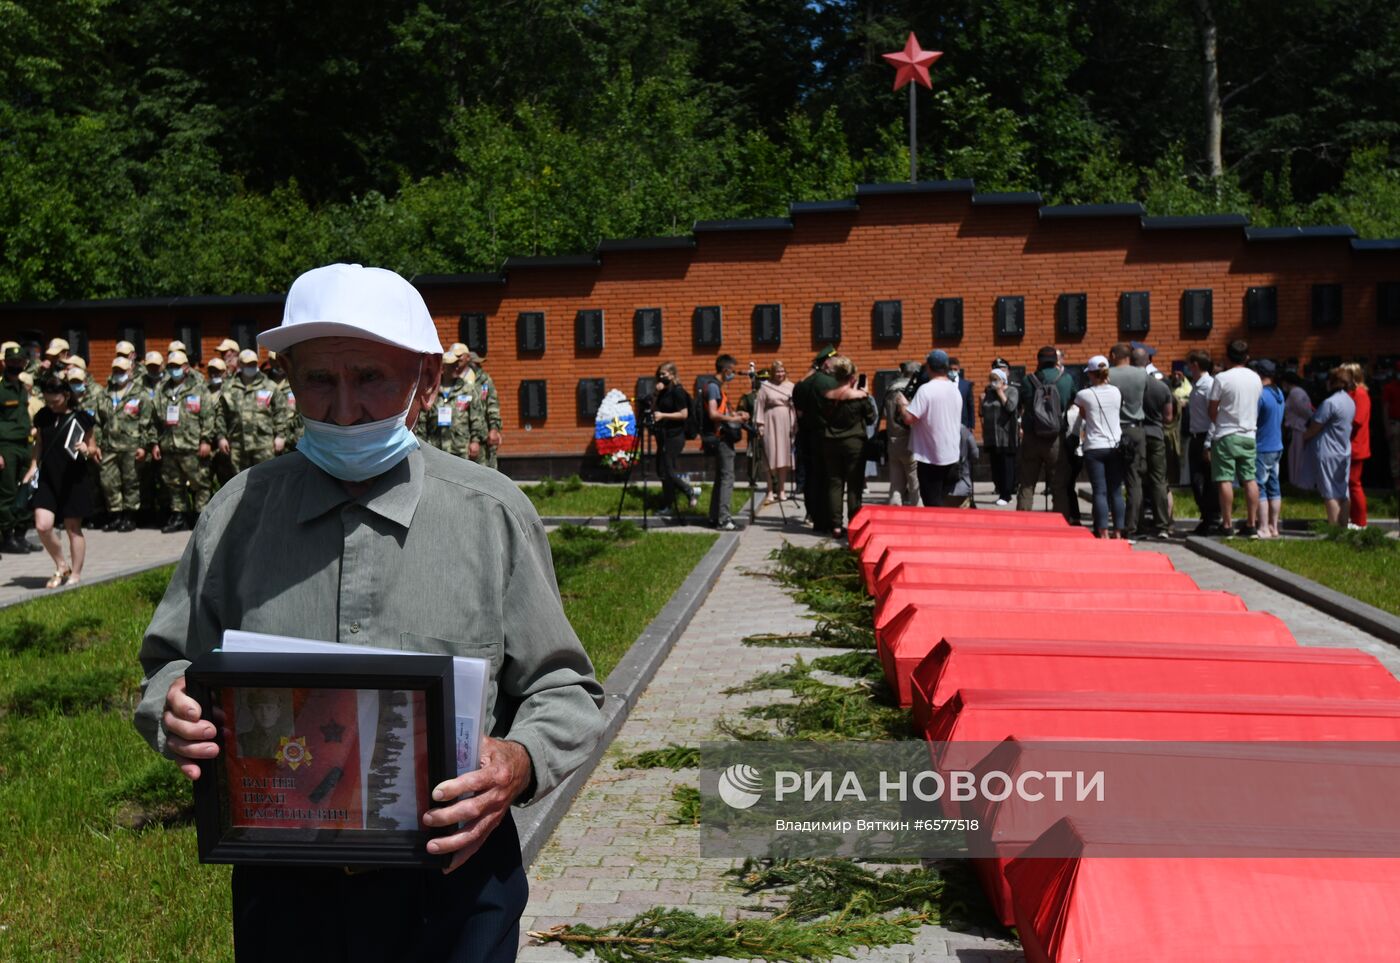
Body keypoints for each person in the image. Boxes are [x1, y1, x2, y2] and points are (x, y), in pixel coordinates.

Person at [134, 262, 605, 961]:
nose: (344, 408)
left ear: (428, 381)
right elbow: (172, 660)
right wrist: (171, 708)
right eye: (320, 379)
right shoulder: (238, 513)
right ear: (289, 377)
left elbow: (563, 689)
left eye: (372, 378)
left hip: (454, 887)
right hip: (286, 890)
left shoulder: (491, 514)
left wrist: (516, 759)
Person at [23, 378, 95, 587]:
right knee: (42, 525)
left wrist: (85, 450)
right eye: (48, 401)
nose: (52, 405)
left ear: (66, 396)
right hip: (48, 478)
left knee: (73, 528)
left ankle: (76, 574)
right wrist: (32, 468)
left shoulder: (82, 418)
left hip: (73, 479)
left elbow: (93, 448)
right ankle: (61, 564)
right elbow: (39, 445)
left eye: (56, 401)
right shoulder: (43, 416)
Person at [152, 350, 216, 532]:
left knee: (200, 484)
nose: (174, 370)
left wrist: (205, 440)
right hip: (169, 445)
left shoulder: (198, 387)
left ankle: (201, 517)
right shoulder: (162, 390)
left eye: (177, 367)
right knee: (174, 484)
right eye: (171, 366)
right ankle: (179, 517)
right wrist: (154, 443)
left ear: (186, 368)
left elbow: (208, 416)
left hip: (192, 445)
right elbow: (154, 419)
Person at [899, 349, 962, 507]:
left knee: (933, 505)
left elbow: (909, 418)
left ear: (929, 368)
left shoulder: (926, 390)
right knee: (944, 502)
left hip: (931, 458)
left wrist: (902, 404)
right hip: (952, 456)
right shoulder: (955, 390)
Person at [820, 356, 875, 537]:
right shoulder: (859, 397)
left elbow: (823, 418)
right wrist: (864, 393)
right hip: (854, 443)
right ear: (852, 377)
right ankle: (854, 522)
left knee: (834, 483)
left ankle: (836, 525)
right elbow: (871, 418)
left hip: (830, 442)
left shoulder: (827, 395)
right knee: (854, 484)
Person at [1015, 346, 1074, 516]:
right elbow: (1073, 399)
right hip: (1056, 439)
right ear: (1056, 361)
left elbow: (1021, 405)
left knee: (1026, 484)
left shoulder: (1028, 380)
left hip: (1032, 438)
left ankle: (1022, 521)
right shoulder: (1066, 379)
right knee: (1059, 485)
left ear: (1038, 360)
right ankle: (1061, 522)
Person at [97, 356, 152, 532]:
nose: (118, 374)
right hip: (109, 446)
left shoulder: (140, 394)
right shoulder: (104, 393)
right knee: (109, 482)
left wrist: (144, 446)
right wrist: (97, 443)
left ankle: (129, 517)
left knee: (131, 482)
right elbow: (98, 422)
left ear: (130, 372)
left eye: (122, 371)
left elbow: (147, 422)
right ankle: (115, 515)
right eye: (116, 370)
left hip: (131, 446)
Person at [1074, 355, 1127, 539]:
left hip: (1094, 447)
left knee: (1099, 491)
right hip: (1115, 446)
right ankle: (1119, 531)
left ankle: (1102, 531)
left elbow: (1083, 415)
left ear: (1091, 374)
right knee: (1116, 491)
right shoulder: (1117, 392)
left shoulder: (1083, 395)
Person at [1302, 367, 1356, 526]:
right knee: (1343, 492)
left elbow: (1314, 427)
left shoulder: (1330, 402)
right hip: (1343, 449)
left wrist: (1301, 437)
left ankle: (1334, 529)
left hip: (1327, 450)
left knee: (1330, 492)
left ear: (1332, 382)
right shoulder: (1349, 401)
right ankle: (1343, 527)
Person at [704, 354, 749, 531]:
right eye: (732, 371)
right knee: (727, 478)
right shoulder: (714, 388)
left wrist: (736, 415)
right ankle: (724, 520)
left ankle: (714, 517)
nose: (733, 375)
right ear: (726, 370)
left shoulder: (714, 387)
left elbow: (720, 412)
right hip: (721, 438)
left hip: (719, 436)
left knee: (720, 478)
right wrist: (735, 421)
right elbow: (713, 414)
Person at [1107, 343, 1149, 536]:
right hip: (1136, 429)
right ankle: (1132, 526)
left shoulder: (1109, 375)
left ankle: (1116, 524)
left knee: (1113, 480)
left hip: (1114, 430)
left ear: (1114, 355)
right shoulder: (1142, 374)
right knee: (1134, 480)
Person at [0, 344, 37, 553]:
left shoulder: (22, 388)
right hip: (6, 446)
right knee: (7, 492)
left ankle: (22, 534)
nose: (16, 365)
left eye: (19, 362)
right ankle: (7, 536)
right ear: (5, 363)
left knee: (27, 489)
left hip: (25, 445)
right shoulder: (1, 389)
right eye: (12, 362)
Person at [648, 361, 699, 513]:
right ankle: (668, 504)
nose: (661, 377)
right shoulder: (663, 392)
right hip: (663, 435)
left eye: (664, 374)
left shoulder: (678, 392)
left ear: (672, 375)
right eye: (659, 374)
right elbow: (654, 408)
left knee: (666, 470)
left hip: (675, 436)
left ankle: (690, 491)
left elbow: (684, 414)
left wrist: (663, 415)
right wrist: (656, 394)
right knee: (661, 471)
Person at [1137, 351, 1175, 539]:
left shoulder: (1128, 385)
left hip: (1135, 435)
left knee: (1135, 479)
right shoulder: (1161, 386)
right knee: (1159, 480)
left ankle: (1138, 523)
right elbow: (1168, 417)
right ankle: (1162, 525)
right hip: (1156, 435)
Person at [1185, 350, 1220, 533]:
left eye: (1189, 364)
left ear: (1196, 365)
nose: (1188, 368)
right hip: (1195, 436)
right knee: (1196, 480)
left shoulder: (1209, 386)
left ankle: (1212, 518)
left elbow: (1215, 416)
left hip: (1206, 436)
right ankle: (1206, 516)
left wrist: (1208, 444)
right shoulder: (1197, 384)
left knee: (1208, 481)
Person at [753, 360, 796, 505]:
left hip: (786, 422)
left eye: (783, 371)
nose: (780, 374)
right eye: (778, 371)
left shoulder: (791, 386)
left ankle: (782, 490)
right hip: (770, 421)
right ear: (772, 372)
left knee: (784, 456)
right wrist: (760, 424)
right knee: (770, 455)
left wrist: (795, 424)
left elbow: (795, 407)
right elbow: (759, 405)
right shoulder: (765, 387)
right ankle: (770, 490)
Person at [1251, 360, 1286, 538]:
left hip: (1262, 447)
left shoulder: (1261, 396)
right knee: (1274, 487)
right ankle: (1274, 526)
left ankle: (1263, 527)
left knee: (1260, 487)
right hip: (1277, 446)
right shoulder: (1279, 393)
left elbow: (1253, 419)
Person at [981, 360, 1018, 505]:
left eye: (996, 380)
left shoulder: (1012, 391)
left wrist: (1000, 391)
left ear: (1003, 380)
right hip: (992, 436)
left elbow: (1010, 407)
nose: (993, 383)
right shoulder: (988, 392)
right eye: (991, 380)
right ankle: (1000, 489)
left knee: (1006, 467)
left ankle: (1006, 494)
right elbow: (984, 410)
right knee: (995, 467)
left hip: (1006, 435)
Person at [883, 362, 921, 506]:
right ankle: (918, 513)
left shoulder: (890, 388)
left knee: (895, 484)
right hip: (910, 440)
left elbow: (886, 414)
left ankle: (894, 511)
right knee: (914, 484)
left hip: (892, 439)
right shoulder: (912, 389)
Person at [1343, 362, 1371, 528]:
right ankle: (1353, 519)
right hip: (1352, 444)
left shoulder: (1360, 394)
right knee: (1350, 484)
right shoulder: (1354, 393)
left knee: (1354, 484)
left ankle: (1360, 521)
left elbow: (1357, 420)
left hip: (1356, 445)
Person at [463, 352, 503, 469]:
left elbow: (493, 405)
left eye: (479, 364)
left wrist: (494, 429)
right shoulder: (461, 380)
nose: (478, 366)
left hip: (484, 434)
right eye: (475, 363)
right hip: (464, 436)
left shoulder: (485, 380)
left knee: (488, 470)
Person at [1281, 368, 1314, 488]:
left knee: (1297, 456)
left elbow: (1305, 411)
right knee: (1295, 456)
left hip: (1298, 429)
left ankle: (1297, 482)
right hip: (1297, 428)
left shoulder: (1296, 393)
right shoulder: (1297, 392)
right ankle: (1296, 481)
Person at [946, 424, 981, 508]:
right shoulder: (965, 432)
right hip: (963, 486)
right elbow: (975, 455)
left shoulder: (943, 430)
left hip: (944, 487)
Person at [948, 356, 975, 431]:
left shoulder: (966, 385)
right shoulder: (943, 384)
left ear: (959, 370)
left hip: (963, 422)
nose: (953, 371)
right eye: (950, 369)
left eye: (955, 369)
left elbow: (970, 405)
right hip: (947, 422)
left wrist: (971, 425)